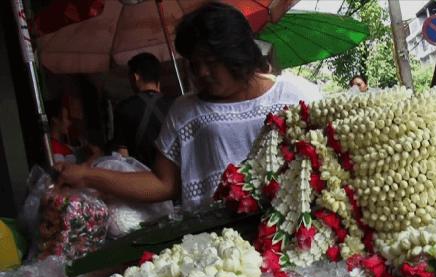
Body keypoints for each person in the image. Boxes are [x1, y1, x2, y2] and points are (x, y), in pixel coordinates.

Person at [53, 1, 322, 211]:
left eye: (211, 60)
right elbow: (163, 183)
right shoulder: (185, 110)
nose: (202, 72)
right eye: (194, 63)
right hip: (220, 254)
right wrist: (89, 176)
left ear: (239, 54)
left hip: (290, 242)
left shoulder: (295, 95)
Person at [107, 53, 175, 169]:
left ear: (135, 77)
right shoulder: (175, 104)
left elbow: (123, 156)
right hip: (175, 178)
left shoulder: (123, 107)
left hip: (143, 181)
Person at [45, 99, 101, 165]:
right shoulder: (53, 148)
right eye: (66, 118)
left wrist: (88, 149)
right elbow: (65, 173)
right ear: (55, 120)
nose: (69, 123)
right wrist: (93, 159)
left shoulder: (61, 145)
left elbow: (76, 152)